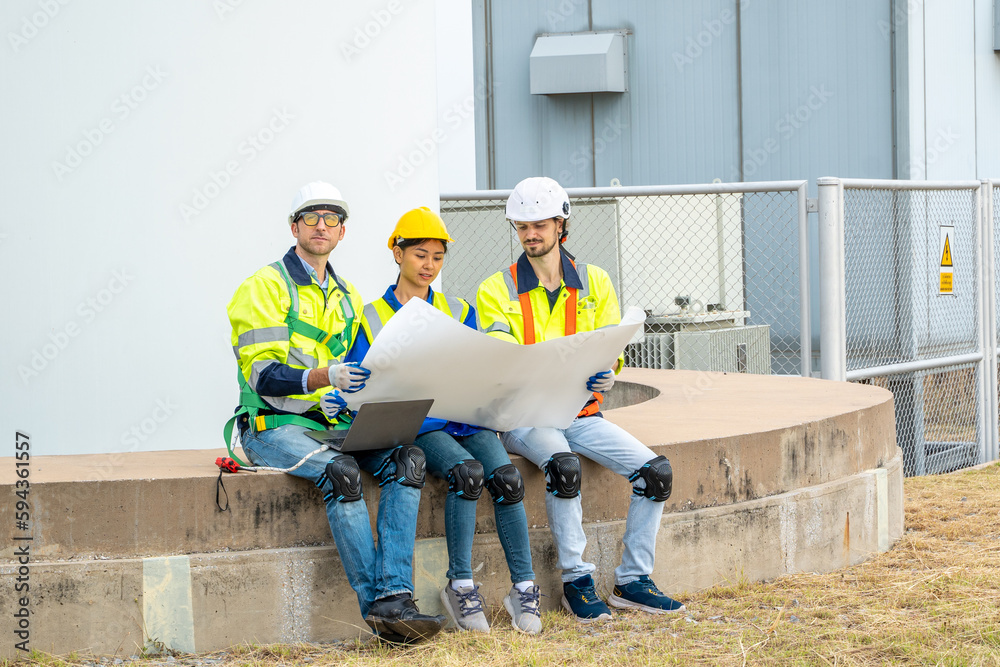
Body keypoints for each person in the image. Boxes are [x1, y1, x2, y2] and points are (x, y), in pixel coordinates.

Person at [226, 182, 446, 644]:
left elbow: (354, 372)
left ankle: (397, 597)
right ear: (294, 227)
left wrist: (348, 395)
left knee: (408, 460)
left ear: (342, 233)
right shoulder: (263, 286)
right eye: (311, 217)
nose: (321, 226)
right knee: (342, 473)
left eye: (331, 219)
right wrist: (324, 380)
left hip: (329, 422)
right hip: (271, 425)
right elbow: (263, 376)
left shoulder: (347, 296)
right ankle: (380, 610)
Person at [476, 176, 684, 623]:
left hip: (583, 413)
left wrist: (611, 372)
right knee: (564, 467)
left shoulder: (595, 281)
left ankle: (632, 582)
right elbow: (500, 359)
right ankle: (577, 581)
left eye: (539, 225)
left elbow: (614, 348)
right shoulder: (497, 288)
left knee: (656, 474)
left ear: (560, 225)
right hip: (528, 418)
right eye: (522, 226)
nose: (530, 234)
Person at [339, 207, 542, 634]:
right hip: (422, 425)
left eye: (437, 256)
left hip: (466, 418)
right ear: (397, 253)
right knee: (467, 474)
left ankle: (524, 587)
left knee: (507, 478)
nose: (429, 265)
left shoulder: (458, 308)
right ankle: (461, 585)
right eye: (419, 255)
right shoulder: (371, 315)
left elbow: (476, 366)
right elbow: (359, 385)